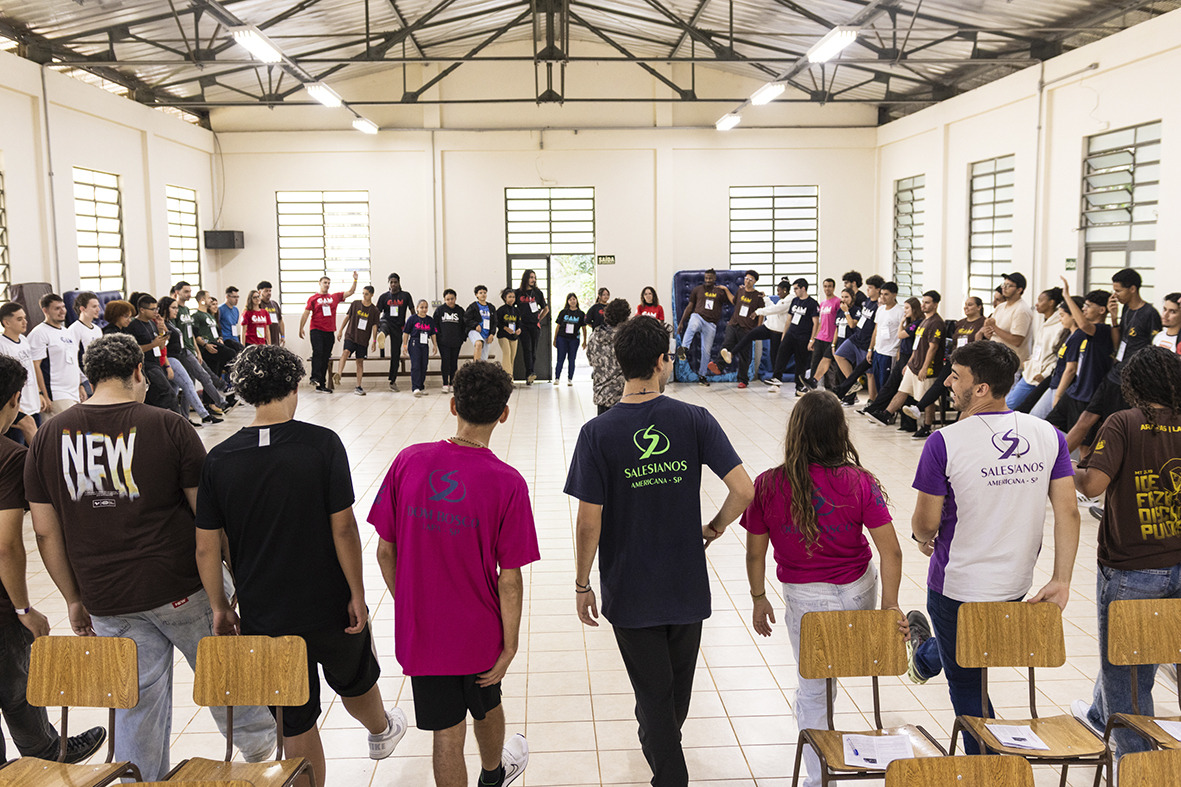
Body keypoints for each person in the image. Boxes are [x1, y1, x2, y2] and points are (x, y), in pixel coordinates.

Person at [25, 334, 276, 781]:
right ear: (139, 372)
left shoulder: (47, 435)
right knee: (226, 680)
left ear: (89, 376)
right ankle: (266, 760)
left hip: (105, 595)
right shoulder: (167, 425)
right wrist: (229, 588)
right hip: (182, 586)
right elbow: (209, 518)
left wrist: (74, 598)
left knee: (136, 706)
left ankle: (139, 779)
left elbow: (45, 531)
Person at [196, 345, 407, 787]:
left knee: (294, 719)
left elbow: (206, 548)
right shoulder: (321, 445)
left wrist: (220, 606)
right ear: (294, 386)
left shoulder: (219, 459)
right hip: (328, 602)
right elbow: (343, 528)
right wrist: (357, 593)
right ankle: (380, 731)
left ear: (246, 392)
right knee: (354, 679)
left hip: (264, 610)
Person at [567, 315, 754, 787]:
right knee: (669, 696)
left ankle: (657, 742)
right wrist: (714, 527)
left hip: (630, 587)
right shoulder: (693, 419)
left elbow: (588, 522)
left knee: (659, 697)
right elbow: (744, 490)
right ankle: (671, 776)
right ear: (661, 362)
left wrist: (582, 583)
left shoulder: (597, 433)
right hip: (685, 582)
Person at [901, 341, 1080, 754]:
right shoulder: (1048, 435)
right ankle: (926, 658)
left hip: (956, 587)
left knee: (967, 684)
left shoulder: (944, 442)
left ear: (980, 388)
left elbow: (925, 524)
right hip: (1014, 584)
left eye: (956, 376)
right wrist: (1062, 579)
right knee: (969, 652)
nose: (948, 382)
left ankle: (991, 768)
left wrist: (922, 539)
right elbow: (1069, 512)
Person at [370, 361, 536, 787]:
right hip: (479, 631)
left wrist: (411, 602)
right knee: (486, 704)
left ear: (452, 405)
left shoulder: (408, 462)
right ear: (503, 414)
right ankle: (493, 775)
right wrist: (510, 644)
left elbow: (385, 552)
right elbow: (510, 578)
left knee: (446, 732)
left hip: (424, 634)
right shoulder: (508, 483)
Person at [742, 390, 907, 787]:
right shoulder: (860, 481)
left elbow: (754, 554)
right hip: (858, 590)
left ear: (795, 432)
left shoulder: (768, 484)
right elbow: (892, 551)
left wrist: (759, 598)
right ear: (839, 431)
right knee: (843, 662)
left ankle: (819, 779)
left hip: (805, 598)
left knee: (814, 688)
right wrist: (889, 606)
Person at [1069, 346, 1181, 763]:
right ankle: (1100, 716)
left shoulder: (1125, 422)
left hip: (1134, 566)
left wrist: (1067, 468)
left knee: (1126, 672)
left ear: (1134, 385)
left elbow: (1093, 485)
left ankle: (1135, 764)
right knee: (1156, 654)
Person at [0, 354, 107, 764]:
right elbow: (7, 545)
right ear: (14, 400)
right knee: (15, 685)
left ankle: (43, 751)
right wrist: (23, 609)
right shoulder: (8, 457)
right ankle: (46, 754)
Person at [1064, 269, 1163, 454]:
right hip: (1114, 374)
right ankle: (1057, 460)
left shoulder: (1150, 313)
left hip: (1130, 380)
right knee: (1085, 419)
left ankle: (1107, 466)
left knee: (1113, 428)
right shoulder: (1125, 309)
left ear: (1132, 289)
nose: (1115, 295)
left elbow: (1154, 349)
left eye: (1119, 291)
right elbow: (1118, 344)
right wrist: (1115, 318)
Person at [867, 291, 943, 435]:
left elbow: (933, 347)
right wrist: (909, 363)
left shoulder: (936, 323)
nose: (923, 305)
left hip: (927, 368)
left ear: (935, 304)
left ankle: (927, 427)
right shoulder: (925, 321)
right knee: (902, 391)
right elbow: (916, 346)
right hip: (913, 365)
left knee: (927, 398)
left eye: (927, 302)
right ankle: (886, 414)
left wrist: (925, 367)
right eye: (923, 302)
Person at [1047, 287, 1113, 450]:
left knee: (1084, 446)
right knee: (1049, 426)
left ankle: (1073, 464)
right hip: (1075, 391)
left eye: (1088, 306)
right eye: (1084, 306)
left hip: (1088, 395)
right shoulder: (1084, 334)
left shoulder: (1104, 331)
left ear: (1102, 310)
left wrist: (1066, 296)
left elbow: (1083, 324)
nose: (1084, 309)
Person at [171, 282, 234, 412]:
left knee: (190, 384)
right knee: (204, 376)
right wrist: (202, 346)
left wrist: (197, 351)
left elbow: (192, 334)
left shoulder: (186, 310)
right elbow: (177, 333)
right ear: (177, 292)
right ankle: (221, 397)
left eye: (190, 291)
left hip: (192, 350)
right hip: (183, 351)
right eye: (186, 291)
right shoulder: (176, 311)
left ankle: (187, 416)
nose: (189, 294)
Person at [160, 297, 222, 425]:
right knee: (188, 384)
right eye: (173, 308)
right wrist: (167, 365)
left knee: (174, 392)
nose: (177, 310)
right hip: (171, 359)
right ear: (165, 309)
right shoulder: (162, 324)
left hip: (179, 356)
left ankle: (180, 419)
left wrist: (196, 351)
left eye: (176, 308)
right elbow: (162, 346)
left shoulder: (170, 323)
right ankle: (205, 414)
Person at [1025, 297, 1084, 421]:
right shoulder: (1068, 335)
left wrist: (1058, 395)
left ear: (1073, 315)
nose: (1059, 319)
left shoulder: (1078, 337)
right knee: (1034, 416)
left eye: (1062, 315)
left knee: (1047, 420)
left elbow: (1071, 369)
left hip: (1061, 387)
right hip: (1054, 383)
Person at [1006, 287, 1065, 409]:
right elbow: (1039, 348)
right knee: (1009, 403)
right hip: (1031, 371)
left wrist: (1046, 373)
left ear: (1051, 303)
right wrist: (1030, 361)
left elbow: (1057, 355)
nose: (1037, 304)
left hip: (1042, 375)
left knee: (1013, 405)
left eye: (1040, 301)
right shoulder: (1045, 322)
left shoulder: (1059, 326)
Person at [28, 293, 85, 417]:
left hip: (74, 392)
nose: (62, 311)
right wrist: (43, 394)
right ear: (45, 311)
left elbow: (74, 361)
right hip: (56, 394)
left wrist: (80, 385)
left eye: (63, 307)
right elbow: (35, 366)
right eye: (57, 308)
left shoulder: (67, 332)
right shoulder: (39, 333)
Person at [300, 273, 358, 394]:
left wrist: (355, 280)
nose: (327, 285)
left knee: (326, 357)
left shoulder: (334, 297)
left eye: (328, 283)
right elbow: (306, 313)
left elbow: (350, 292)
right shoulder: (313, 298)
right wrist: (301, 328)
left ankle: (321, 384)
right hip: (316, 330)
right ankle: (314, 377)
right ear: (320, 283)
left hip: (329, 331)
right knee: (318, 352)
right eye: (325, 283)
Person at [831, 274, 884, 404]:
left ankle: (872, 400)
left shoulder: (879, 306)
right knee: (839, 355)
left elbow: (875, 327)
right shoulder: (867, 301)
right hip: (856, 337)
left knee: (870, 374)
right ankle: (853, 383)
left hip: (866, 342)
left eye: (870, 287)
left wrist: (871, 347)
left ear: (878, 289)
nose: (867, 290)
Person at [707, 270, 764, 387]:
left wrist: (758, 329)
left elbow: (761, 313)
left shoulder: (758, 296)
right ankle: (718, 366)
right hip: (733, 324)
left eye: (750, 280)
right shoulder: (740, 290)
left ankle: (743, 380)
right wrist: (726, 289)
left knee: (744, 354)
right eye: (746, 278)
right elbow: (733, 301)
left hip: (747, 329)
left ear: (755, 282)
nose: (747, 281)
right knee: (727, 343)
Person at [676, 269, 732, 385]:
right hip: (698, 317)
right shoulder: (697, 290)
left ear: (715, 278)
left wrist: (727, 290)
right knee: (692, 326)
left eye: (710, 278)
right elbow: (690, 306)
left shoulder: (719, 292)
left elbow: (733, 301)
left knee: (706, 351)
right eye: (706, 278)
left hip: (711, 324)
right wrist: (681, 322)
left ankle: (702, 376)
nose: (708, 280)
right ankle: (684, 348)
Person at [764, 279, 818, 394]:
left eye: (796, 289)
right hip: (791, 334)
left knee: (800, 362)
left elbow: (816, 323)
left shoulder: (812, 303)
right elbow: (789, 319)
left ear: (803, 288)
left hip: (803, 337)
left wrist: (812, 339)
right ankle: (776, 379)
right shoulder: (794, 301)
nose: (794, 291)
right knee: (781, 355)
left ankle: (799, 386)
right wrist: (784, 334)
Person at [0, 304, 44, 445]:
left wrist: (39, 393)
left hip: (33, 403)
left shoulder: (24, 340)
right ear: (7, 323)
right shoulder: (2, 344)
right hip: (16, 405)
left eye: (24, 318)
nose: (25, 322)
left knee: (34, 442)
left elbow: (31, 369)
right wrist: (15, 406)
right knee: (20, 448)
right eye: (19, 319)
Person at [126, 295, 178, 413]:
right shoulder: (133, 326)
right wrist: (152, 345)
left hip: (157, 363)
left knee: (155, 398)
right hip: (146, 366)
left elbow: (161, 347)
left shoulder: (152, 324)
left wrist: (161, 331)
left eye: (157, 309)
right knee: (168, 394)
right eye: (153, 309)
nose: (156, 312)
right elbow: (133, 350)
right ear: (142, 310)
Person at [980, 272, 1036, 364]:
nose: (1004, 288)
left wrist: (994, 327)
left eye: (1009, 286)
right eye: (1004, 285)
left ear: (1019, 290)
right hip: (996, 359)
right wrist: (987, 332)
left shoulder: (1021, 310)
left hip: (1012, 363)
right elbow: (992, 332)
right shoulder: (1000, 307)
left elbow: (1017, 341)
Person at [587, 299, 629, 415]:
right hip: (622, 397)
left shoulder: (594, 337)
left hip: (601, 395)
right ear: (625, 317)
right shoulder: (626, 339)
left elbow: (591, 361)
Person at [336, 286, 379, 396]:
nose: (364, 296)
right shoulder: (355, 304)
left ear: (372, 295)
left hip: (363, 339)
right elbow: (347, 317)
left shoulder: (374, 310)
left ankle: (358, 386)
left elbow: (374, 326)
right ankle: (339, 374)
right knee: (345, 352)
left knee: (359, 362)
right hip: (351, 335)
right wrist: (340, 330)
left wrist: (374, 341)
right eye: (363, 293)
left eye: (366, 294)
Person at [377, 273, 415, 392]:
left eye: (395, 282)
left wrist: (415, 325)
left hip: (398, 327)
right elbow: (377, 313)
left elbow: (412, 311)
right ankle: (381, 335)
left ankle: (392, 380)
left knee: (395, 354)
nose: (393, 284)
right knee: (383, 326)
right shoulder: (384, 297)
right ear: (388, 283)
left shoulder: (405, 295)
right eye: (391, 282)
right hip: (386, 321)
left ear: (399, 282)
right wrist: (375, 326)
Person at [193, 290, 238, 378]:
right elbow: (195, 334)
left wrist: (220, 338)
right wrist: (205, 345)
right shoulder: (196, 316)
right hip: (208, 347)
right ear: (202, 300)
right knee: (231, 353)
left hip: (216, 344)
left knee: (216, 373)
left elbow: (217, 330)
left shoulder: (210, 316)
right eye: (209, 298)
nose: (210, 300)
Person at [514, 269, 549, 385]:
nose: (533, 280)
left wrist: (539, 319)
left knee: (533, 350)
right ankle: (529, 373)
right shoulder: (518, 293)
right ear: (525, 279)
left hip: (534, 325)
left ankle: (531, 374)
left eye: (534, 277)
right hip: (523, 325)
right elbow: (511, 305)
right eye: (531, 277)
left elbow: (546, 309)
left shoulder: (538, 293)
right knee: (527, 349)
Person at [805, 279, 840, 387]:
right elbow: (821, 322)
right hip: (820, 337)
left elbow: (839, 321)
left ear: (833, 288)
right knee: (815, 362)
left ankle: (830, 387)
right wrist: (814, 338)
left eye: (829, 286)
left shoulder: (837, 302)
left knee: (829, 365)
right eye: (825, 286)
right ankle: (812, 384)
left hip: (831, 338)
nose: (827, 288)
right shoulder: (823, 303)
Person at [68, 292, 103, 396]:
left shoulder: (97, 329)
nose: (98, 309)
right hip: (85, 379)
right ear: (83, 309)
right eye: (94, 306)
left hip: (99, 377)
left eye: (98, 306)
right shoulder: (74, 329)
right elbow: (73, 358)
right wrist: (80, 382)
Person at [433, 289, 467, 394]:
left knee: (454, 362)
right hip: (443, 342)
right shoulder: (440, 310)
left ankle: (453, 383)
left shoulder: (460, 310)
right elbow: (435, 325)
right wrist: (439, 337)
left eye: (452, 299)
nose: (450, 301)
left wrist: (462, 338)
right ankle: (445, 383)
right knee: (445, 361)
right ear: (444, 299)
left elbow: (465, 326)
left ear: (455, 298)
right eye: (448, 299)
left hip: (456, 341)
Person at [403, 300, 438, 397]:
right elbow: (406, 332)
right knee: (416, 365)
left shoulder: (430, 320)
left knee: (424, 365)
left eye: (426, 307)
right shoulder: (412, 319)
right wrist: (404, 345)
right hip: (415, 343)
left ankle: (421, 386)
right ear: (417, 308)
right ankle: (415, 387)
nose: (424, 309)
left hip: (425, 343)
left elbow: (433, 333)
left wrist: (435, 345)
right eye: (422, 307)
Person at [553, 293, 587, 387]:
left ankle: (570, 378)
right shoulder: (563, 312)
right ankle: (557, 378)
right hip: (562, 338)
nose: (572, 301)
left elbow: (584, 328)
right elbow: (558, 326)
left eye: (574, 299)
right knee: (560, 358)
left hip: (574, 339)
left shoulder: (581, 314)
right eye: (570, 299)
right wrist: (555, 339)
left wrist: (585, 341)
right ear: (567, 301)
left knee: (572, 359)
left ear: (576, 300)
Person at [464, 285, 495, 362]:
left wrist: (492, 334)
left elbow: (494, 322)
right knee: (479, 343)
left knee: (484, 359)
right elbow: (466, 319)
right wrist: (475, 325)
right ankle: (475, 366)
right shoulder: (473, 306)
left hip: (486, 332)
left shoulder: (491, 307)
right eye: (480, 293)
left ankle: (480, 368)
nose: (483, 294)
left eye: (484, 292)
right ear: (476, 295)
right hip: (475, 330)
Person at [496, 289, 521, 378]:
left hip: (513, 336)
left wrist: (519, 329)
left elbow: (519, 322)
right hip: (503, 335)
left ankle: (510, 377)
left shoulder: (516, 310)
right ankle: (507, 377)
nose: (512, 299)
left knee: (512, 358)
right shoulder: (501, 310)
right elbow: (497, 322)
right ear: (505, 298)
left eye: (513, 297)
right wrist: (505, 328)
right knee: (507, 354)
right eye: (509, 297)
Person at [257, 280, 284, 346]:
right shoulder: (258, 304)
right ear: (260, 292)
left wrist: (282, 335)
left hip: (275, 338)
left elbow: (280, 320)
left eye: (270, 291)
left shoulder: (274, 304)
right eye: (266, 291)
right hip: (263, 339)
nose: (269, 293)